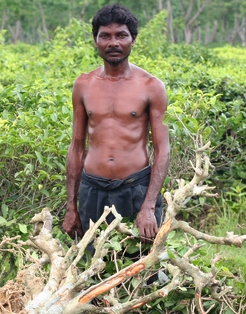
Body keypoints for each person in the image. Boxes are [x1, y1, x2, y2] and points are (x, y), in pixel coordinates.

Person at [62, 3, 170, 243]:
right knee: (92, 269)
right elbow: (77, 146)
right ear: (96, 40)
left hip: (135, 189)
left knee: (142, 270)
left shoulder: (151, 86)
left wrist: (149, 206)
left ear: (133, 40)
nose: (113, 43)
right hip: (92, 191)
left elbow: (162, 149)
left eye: (121, 35)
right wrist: (72, 206)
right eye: (105, 36)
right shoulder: (83, 84)